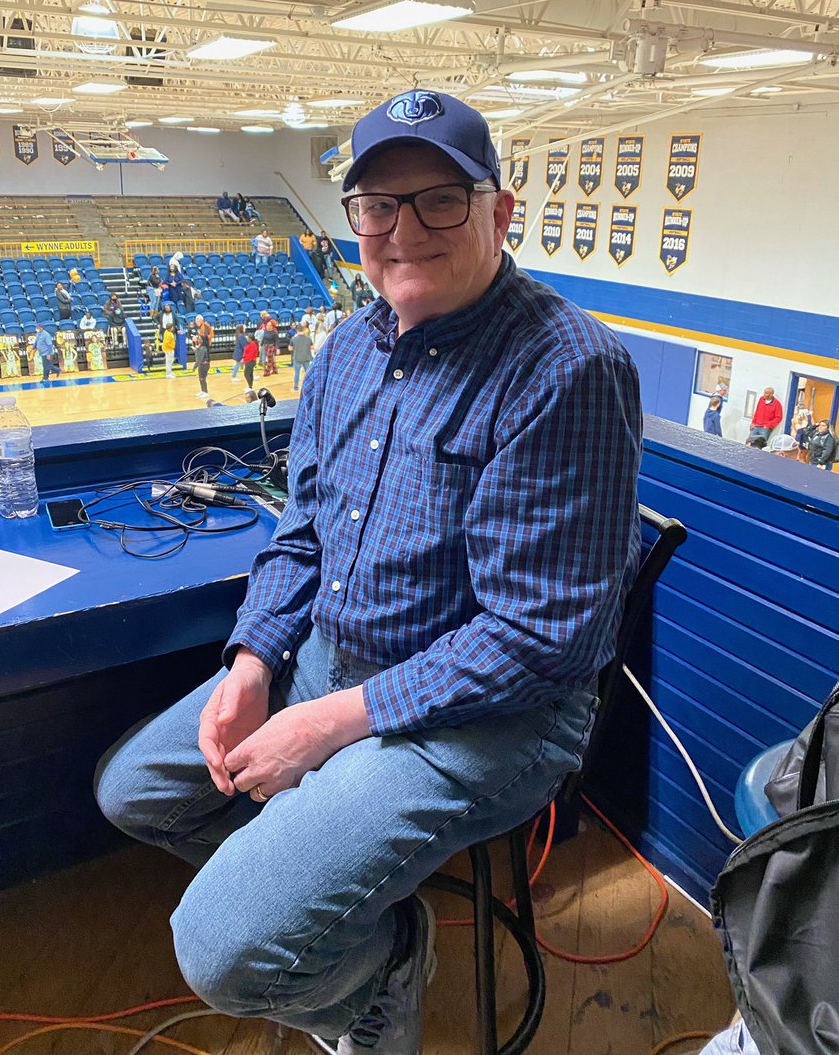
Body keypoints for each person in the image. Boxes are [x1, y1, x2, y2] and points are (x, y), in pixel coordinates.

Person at [94, 90, 642, 1055]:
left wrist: (325, 727)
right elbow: (303, 532)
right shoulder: (346, 349)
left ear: (498, 210)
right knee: (135, 791)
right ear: (353, 218)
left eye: (438, 200)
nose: (402, 231)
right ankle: (362, 932)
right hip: (326, 664)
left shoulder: (568, 369)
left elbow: (540, 640)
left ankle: (372, 980)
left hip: (489, 722)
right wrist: (255, 662)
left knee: (220, 949)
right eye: (377, 206)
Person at [290, 321, 313, 391]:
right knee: (308, 374)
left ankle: (296, 388)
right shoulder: (308, 338)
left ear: (297, 330)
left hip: (297, 357)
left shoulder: (294, 339)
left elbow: (290, 348)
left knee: (297, 373)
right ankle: (311, 387)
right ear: (303, 330)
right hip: (306, 357)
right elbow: (312, 347)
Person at [193, 332, 211, 399]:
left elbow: (199, 358)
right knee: (200, 379)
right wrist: (196, 349)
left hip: (204, 365)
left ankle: (206, 392)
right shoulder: (200, 347)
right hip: (201, 365)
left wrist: (194, 367)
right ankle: (202, 391)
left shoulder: (203, 348)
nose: (198, 339)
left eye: (200, 338)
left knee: (203, 379)